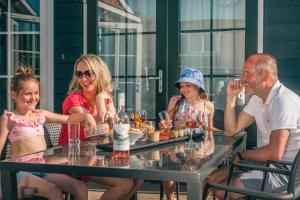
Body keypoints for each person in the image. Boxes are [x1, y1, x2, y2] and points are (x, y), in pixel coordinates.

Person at [207, 53, 300, 199]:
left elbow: (275, 152)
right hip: (268, 164)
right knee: (210, 179)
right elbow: (232, 129)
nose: (242, 79)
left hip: (286, 172)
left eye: (247, 73)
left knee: (219, 189)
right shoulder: (258, 98)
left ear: (265, 75)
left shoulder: (282, 101)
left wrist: (241, 155)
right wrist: (231, 97)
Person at [0, 66, 96, 200]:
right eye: (28, 93)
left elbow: (68, 119)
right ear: (13, 94)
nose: (34, 98)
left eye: (36, 93)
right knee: (53, 191)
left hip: (43, 170)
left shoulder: (40, 114)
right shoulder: (9, 118)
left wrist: (87, 116)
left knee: (80, 187)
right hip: (21, 177)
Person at [58, 54, 134, 200]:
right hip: (74, 158)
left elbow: (114, 129)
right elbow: (94, 129)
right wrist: (100, 99)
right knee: (125, 183)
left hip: (95, 156)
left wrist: (112, 119)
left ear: (99, 73)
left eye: (88, 73)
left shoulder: (106, 98)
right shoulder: (73, 99)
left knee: (137, 178)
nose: (83, 79)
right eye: (79, 74)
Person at [161, 67, 215, 200]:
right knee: (167, 172)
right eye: (182, 85)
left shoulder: (207, 105)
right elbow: (167, 124)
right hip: (177, 148)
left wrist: (207, 151)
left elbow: (209, 132)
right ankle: (171, 198)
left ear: (198, 85)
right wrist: (164, 125)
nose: (184, 89)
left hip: (199, 148)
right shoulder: (175, 100)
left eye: (188, 85)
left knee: (207, 174)